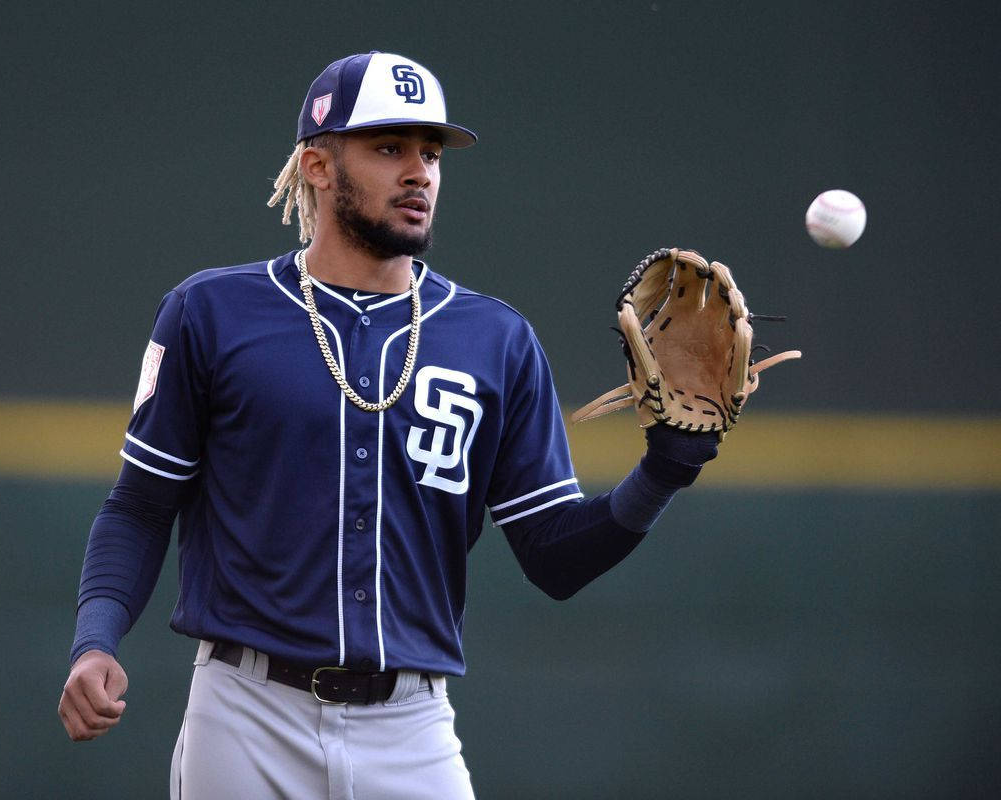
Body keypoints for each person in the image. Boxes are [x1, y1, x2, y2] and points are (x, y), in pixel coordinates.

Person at [58, 51, 719, 799]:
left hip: (412, 728)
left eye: (431, 153)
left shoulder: (496, 340)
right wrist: (94, 641)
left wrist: (663, 473)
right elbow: (140, 505)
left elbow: (556, 560)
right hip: (246, 717)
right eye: (388, 148)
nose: (420, 172)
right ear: (315, 165)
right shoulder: (212, 313)